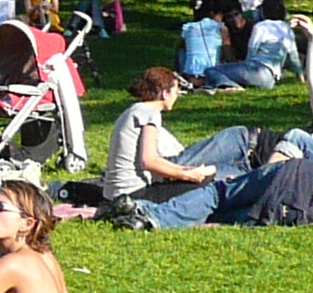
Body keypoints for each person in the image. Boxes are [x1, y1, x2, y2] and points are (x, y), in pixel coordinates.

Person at [98, 67, 259, 228]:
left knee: (204, 177)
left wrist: (183, 170)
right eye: (175, 91)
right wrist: (189, 176)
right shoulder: (150, 113)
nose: (176, 96)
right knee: (209, 185)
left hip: (114, 192)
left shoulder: (135, 110)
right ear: (164, 93)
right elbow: (149, 161)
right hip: (133, 192)